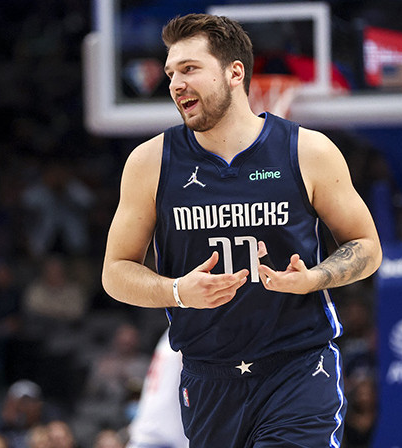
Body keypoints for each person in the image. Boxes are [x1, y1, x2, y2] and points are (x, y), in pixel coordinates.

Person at [101, 13, 382, 447]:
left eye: (190, 69)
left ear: (235, 72)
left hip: (299, 368)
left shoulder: (308, 150)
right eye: (172, 72)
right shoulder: (150, 163)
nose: (175, 83)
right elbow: (115, 271)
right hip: (207, 376)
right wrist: (177, 291)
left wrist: (315, 278)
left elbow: (366, 245)